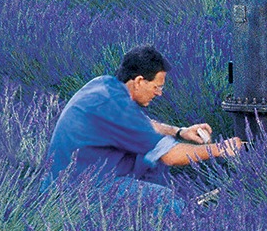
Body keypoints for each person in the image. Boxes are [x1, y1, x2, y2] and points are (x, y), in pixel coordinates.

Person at [40, 45, 242, 209]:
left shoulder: (103, 86)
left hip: (72, 181)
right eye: (157, 87)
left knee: (152, 165)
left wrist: (180, 131)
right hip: (77, 192)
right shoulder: (118, 108)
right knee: (168, 202)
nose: (159, 93)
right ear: (138, 81)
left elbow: (143, 125)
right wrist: (222, 148)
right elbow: (170, 156)